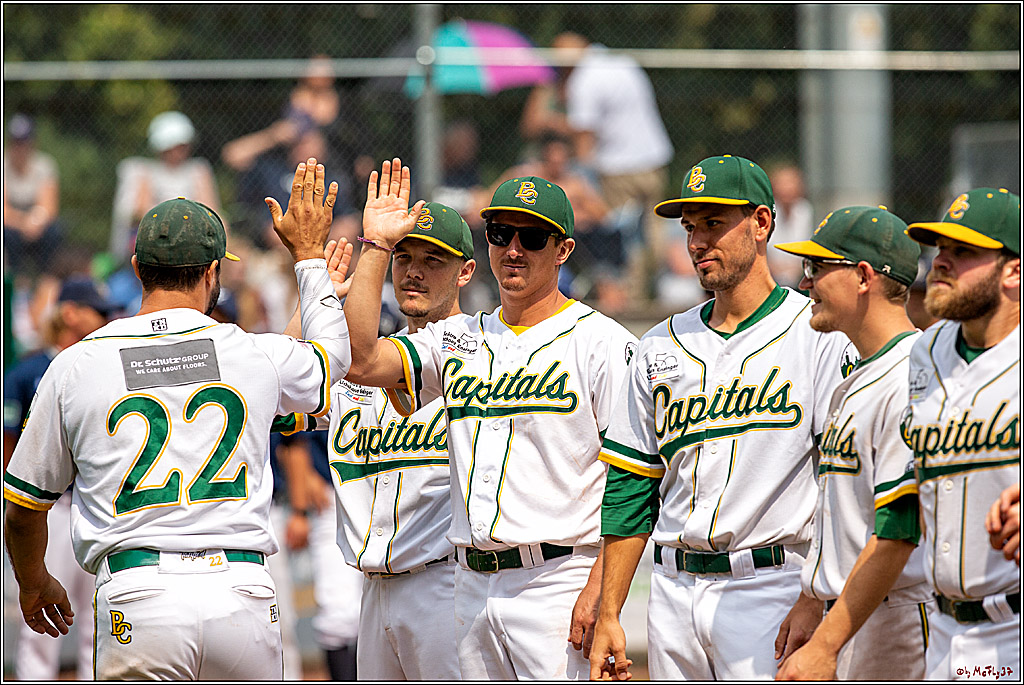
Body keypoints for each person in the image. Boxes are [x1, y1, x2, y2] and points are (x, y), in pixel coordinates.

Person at [2, 159, 351, 679]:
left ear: (138, 268)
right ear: (214, 272)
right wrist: (308, 259)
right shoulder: (253, 353)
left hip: (139, 592)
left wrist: (34, 582)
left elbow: (24, 506)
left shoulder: (75, 364)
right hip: (241, 589)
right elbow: (331, 360)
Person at [340, 160, 638, 679]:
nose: (514, 250)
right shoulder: (458, 338)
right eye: (501, 233)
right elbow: (362, 361)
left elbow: (630, 481)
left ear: (564, 249)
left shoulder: (603, 343)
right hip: (470, 586)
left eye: (532, 237)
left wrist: (601, 595)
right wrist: (376, 248)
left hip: (559, 580)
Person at [589, 155, 855, 681]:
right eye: (690, 227)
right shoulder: (659, 344)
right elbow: (630, 485)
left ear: (761, 223)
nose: (697, 242)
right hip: (670, 592)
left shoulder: (817, 334)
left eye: (714, 223)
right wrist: (610, 609)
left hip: (773, 585)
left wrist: (814, 594)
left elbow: (843, 483)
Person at [279, 201, 476, 679]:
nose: (414, 272)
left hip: (447, 583)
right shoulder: (359, 371)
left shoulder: (479, 356)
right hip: (372, 591)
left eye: (434, 261)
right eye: (404, 258)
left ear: (465, 272)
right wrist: (313, 302)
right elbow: (284, 396)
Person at [770, 206, 932, 680]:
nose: (805, 283)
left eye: (818, 269)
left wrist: (827, 642)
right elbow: (847, 513)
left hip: (894, 614)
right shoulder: (863, 373)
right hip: (856, 610)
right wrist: (812, 598)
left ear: (863, 276)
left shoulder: (909, 377)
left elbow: (896, 533)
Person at [900, 188, 1020, 679]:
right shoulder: (924, 351)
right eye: (940, 249)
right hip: (943, 632)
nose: (941, 262)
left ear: (1013, 269)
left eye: (963, 252)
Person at [4, 275, 115, 681]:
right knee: (43, 626)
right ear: (69, 313)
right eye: (96, 312)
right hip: (46, 510)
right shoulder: (31, 369)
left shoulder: (105, 366)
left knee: (101, 621)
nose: (106, 319)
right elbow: (8, 444)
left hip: (94, 505)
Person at [553, 31, 674, 301]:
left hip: (619, 167)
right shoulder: (622, 63)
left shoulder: (584, 80)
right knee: (654, 232)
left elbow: (584, 134)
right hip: (653, 159)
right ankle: (656, 289)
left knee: (622, 236)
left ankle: (631, 298)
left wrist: (580, 176)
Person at [109, 111, 223, 261]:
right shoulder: (141, 171)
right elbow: (140, 213)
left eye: (182, 145)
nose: (178, 151)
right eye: (173, 146)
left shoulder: (197, 171)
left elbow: (212, 212)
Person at [3, 113, 62, 276]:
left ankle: (46, 281)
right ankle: (15, 281)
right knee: (8, 235)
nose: (20, 147)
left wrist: (35, 222)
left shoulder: (44, 165)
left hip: (37, 225)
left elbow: (49, 208)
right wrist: (23, 223)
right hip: (13, 226)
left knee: (54, 232)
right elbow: (4, 211)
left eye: (23, 142)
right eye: (16, 142)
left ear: (32, 142)